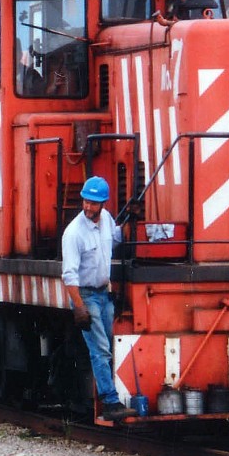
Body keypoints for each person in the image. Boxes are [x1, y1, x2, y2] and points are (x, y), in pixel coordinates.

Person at [61, 176, 135, 421]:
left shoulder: (106, 220)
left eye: (94, 203)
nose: (88, 207)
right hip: (86, 296)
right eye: (86, 201)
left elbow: (115, 238)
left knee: (108, 345)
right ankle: (111, 403)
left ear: (103, 204)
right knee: (101, 349)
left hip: (103, 293)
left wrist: (129, 221)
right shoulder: (74, 233)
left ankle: (112, 397)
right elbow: (69, 275)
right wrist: (79, 308)